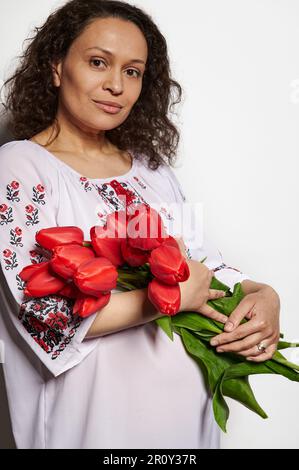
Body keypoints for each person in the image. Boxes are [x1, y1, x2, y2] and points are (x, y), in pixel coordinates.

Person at [0, 0, 280, 449]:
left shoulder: (152, 170)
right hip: (95, 426)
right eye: (98, 62)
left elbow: (201, 264)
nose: (115, 85)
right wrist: (163, 301)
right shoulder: (20, 166)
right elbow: (44, 318)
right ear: (56, 67)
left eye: (133, 71)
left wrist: (261, 294)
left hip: (188, 422)